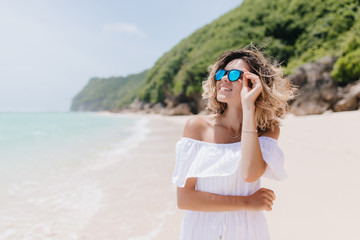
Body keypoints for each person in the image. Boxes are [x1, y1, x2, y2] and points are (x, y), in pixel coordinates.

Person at [172, 45, 297, 240]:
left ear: (254, 83)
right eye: (221, 73)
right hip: (202, 230)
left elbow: (250, 174)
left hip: (247, 231)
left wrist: (248, 108)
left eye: (234, 74)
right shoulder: (197, 127)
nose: (223, 78)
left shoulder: (268, 131)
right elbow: (185, 199)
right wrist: (246, 202)